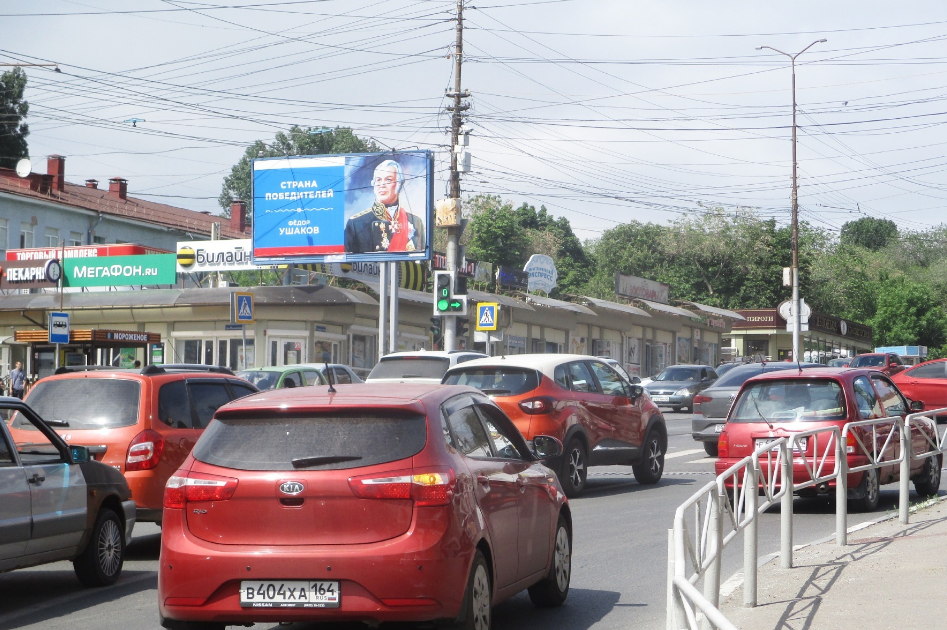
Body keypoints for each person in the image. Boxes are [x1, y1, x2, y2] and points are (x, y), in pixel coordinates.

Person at [344, 160, 425, 254]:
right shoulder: (356, 223)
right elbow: (347, 265)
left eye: (388, 180)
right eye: (378, 180)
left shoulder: (415, 222)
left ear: (399, 184)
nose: (382, 185)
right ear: (373, 184)